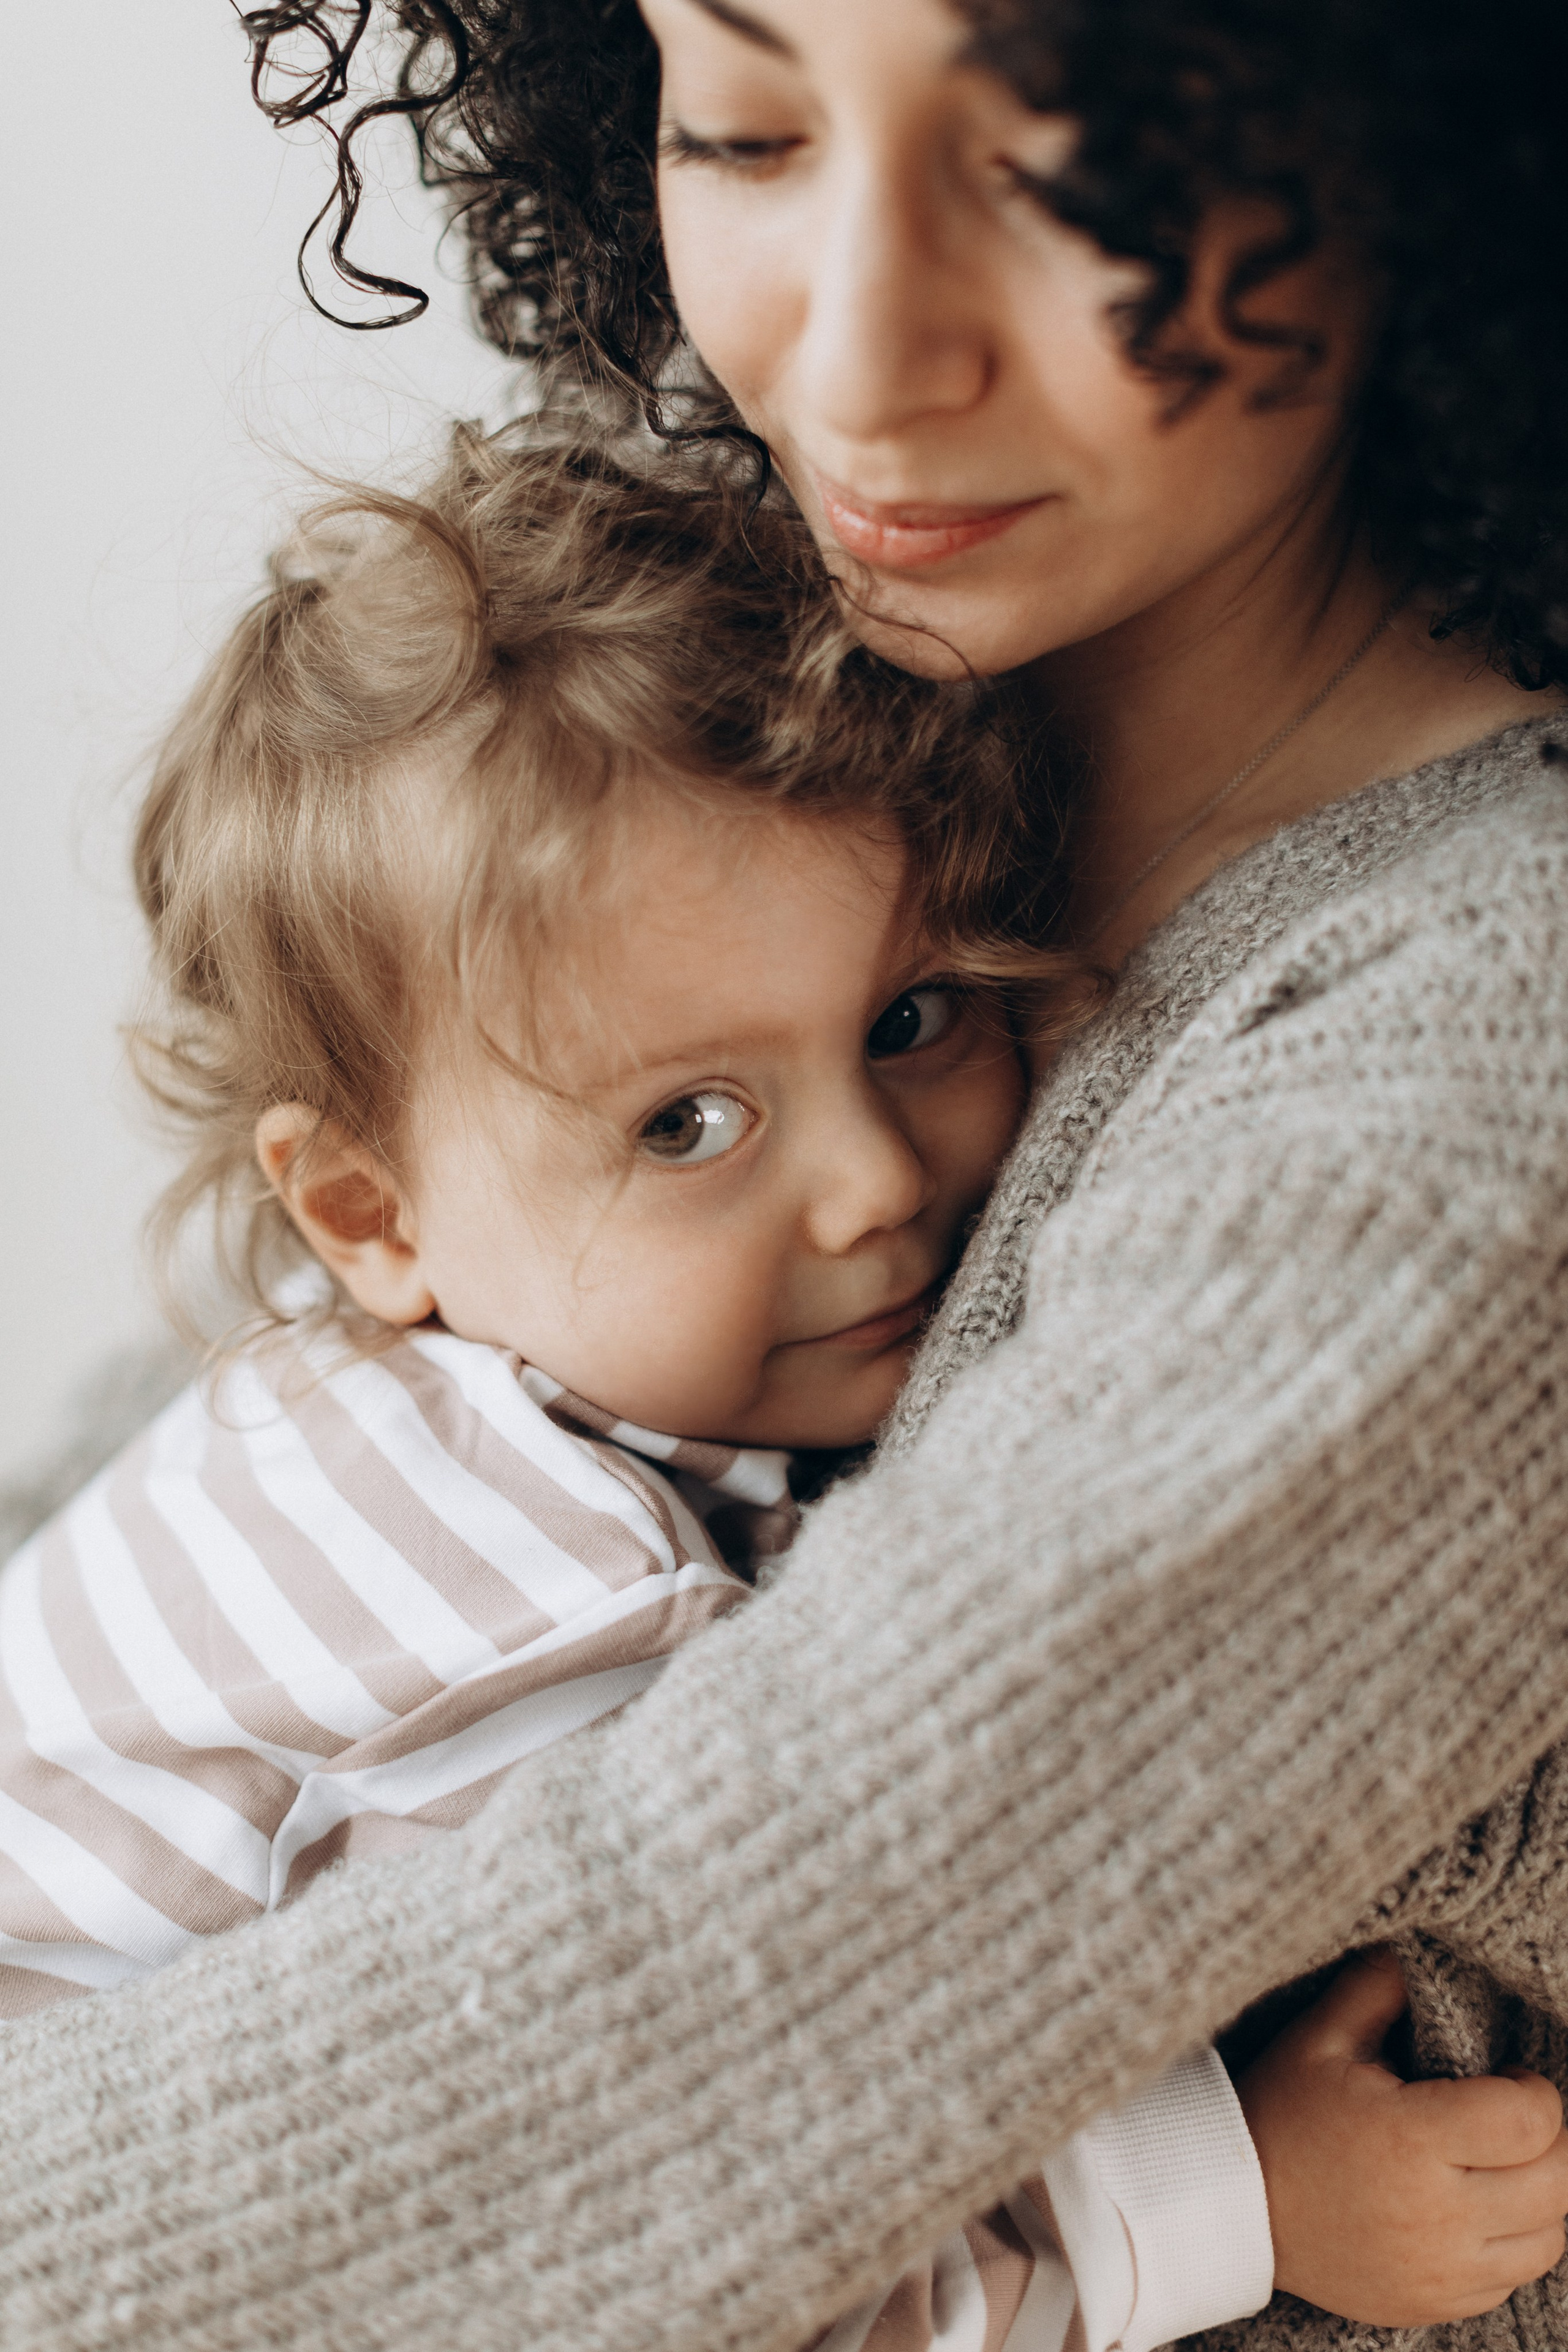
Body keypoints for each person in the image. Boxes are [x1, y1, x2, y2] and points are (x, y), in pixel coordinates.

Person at [0, 2, 1566, 2347]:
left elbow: (668, 2063)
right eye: (742, 125)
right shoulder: (763, 669)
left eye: (1065, 169)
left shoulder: (1480, 1073)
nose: (857, 354)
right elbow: (226, 1405)